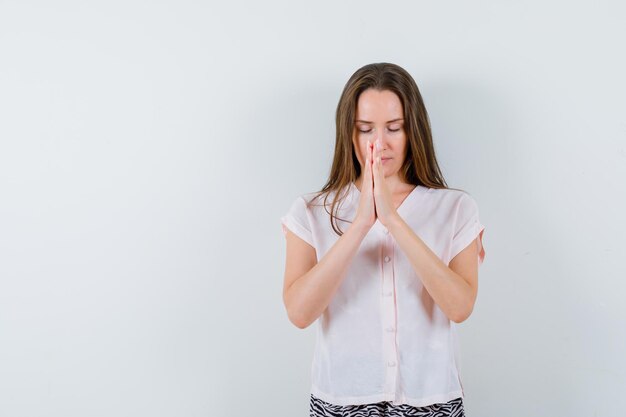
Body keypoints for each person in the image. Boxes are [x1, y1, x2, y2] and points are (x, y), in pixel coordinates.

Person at [280, 62, 486, 417]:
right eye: (365, 129)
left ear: (413, 131)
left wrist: (392, 220)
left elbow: (460, 306)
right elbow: (299, 313)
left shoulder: (455, 208)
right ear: (349, 133)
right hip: (340, 401)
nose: (380, 143)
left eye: (394, 128)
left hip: (432, 400)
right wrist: (361, 224)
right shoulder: (311, 211)